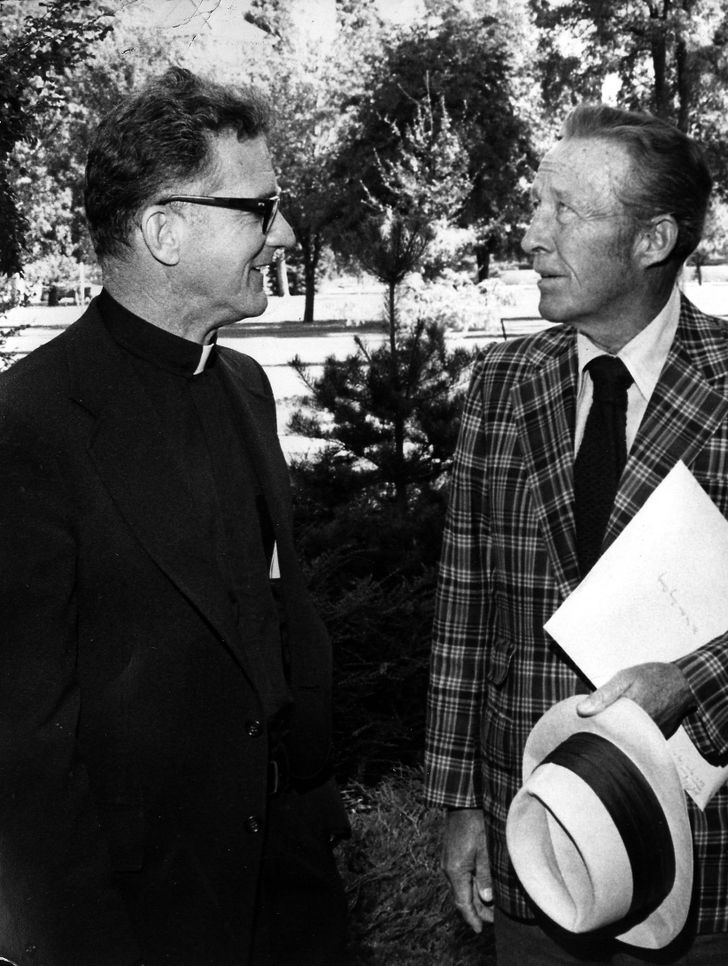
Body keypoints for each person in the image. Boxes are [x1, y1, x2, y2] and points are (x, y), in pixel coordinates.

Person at [425, 103, 728, 964]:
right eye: (537, 204)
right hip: (538, 832)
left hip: (709, 834)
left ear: (654, 238)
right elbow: (464, 606)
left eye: (567, 211)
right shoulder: (503, 381)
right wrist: (457, 799)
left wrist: (689, 682)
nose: (532, 236)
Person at [0, 67, 348, 966]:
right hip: (143, 915)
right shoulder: (29, 425)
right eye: (261, 208)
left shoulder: (245, 383)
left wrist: (312, 814)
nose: (285, 231)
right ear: (165, 229)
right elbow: (27, 748)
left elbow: (269, 617)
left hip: (291, 895)